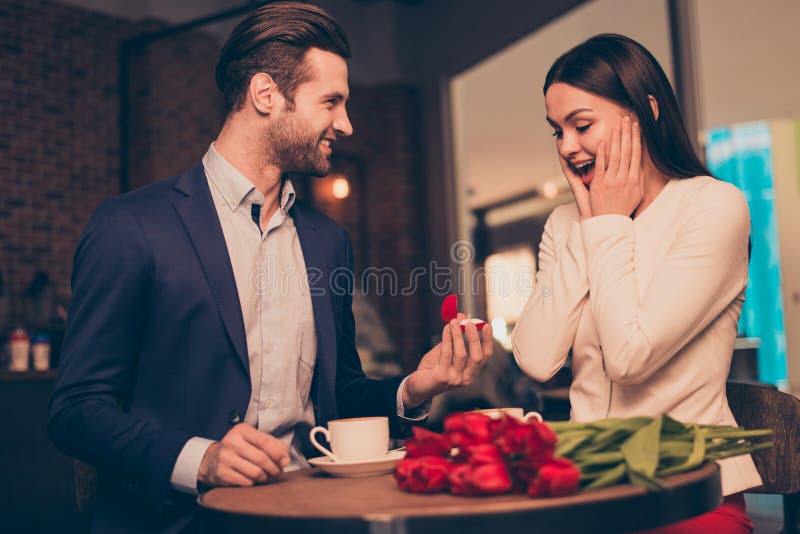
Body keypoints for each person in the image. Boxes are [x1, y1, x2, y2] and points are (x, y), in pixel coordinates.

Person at [48, 3, 493, 532]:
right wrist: (199, 459)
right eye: (331, 101)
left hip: (316, 518)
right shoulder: (130, 226)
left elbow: (340, 395)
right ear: (266, 94)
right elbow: (76, 410)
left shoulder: (328, 241)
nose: (346, 124)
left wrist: (413, 390)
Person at [512, 34, 760, 533]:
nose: (567, 146)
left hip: (688, 493)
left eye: (581, 125)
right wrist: (589, 221)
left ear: (644, 111)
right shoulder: (564, 223)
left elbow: (629, 358)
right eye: (556, 131)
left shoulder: (713, 207)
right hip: (592, 494)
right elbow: (537, 360)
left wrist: (605, 223)